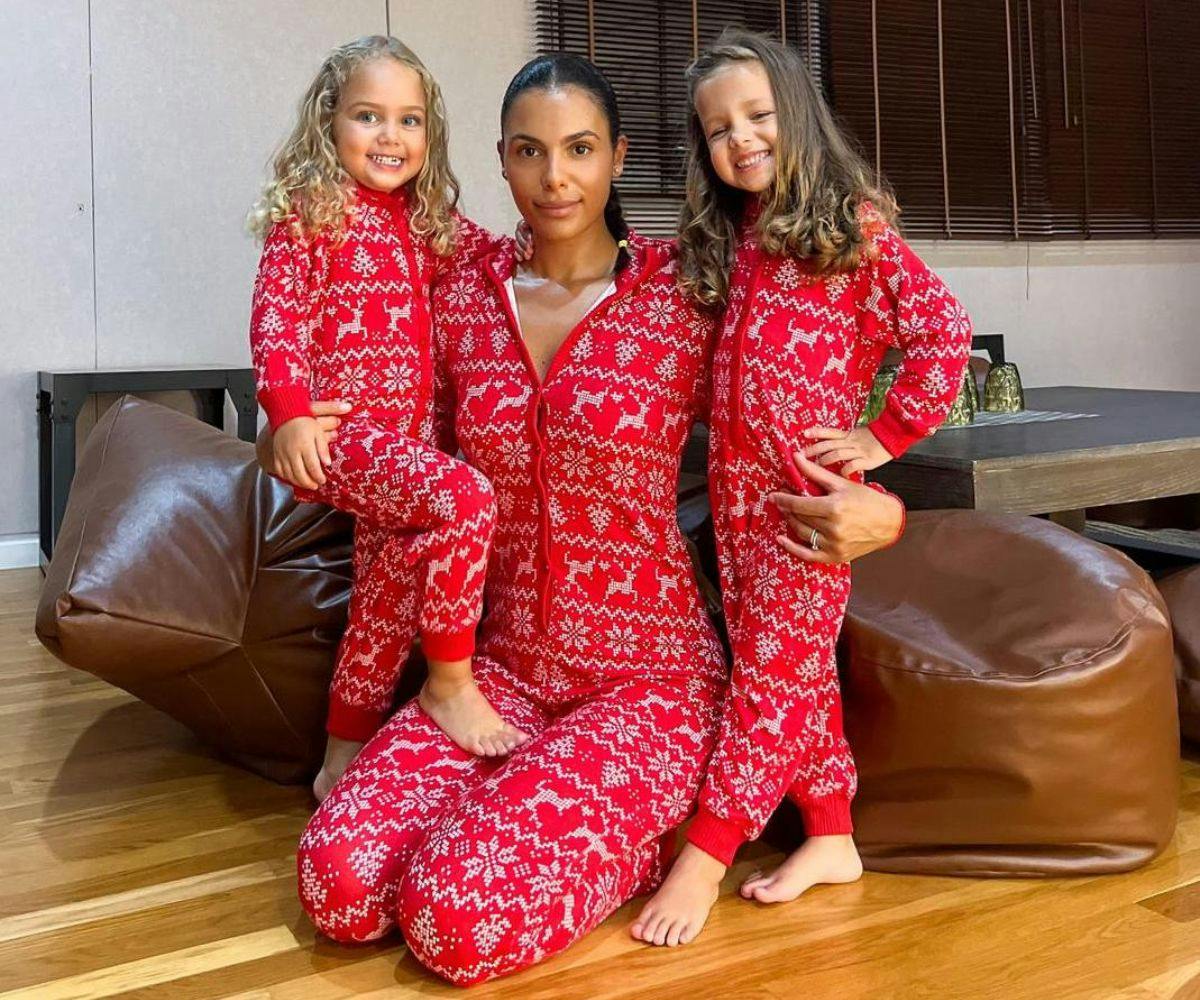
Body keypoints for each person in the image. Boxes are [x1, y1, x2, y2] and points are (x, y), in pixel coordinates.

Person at [261, 52, 907, 986]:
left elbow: (805, 408)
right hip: (498, 677)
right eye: (528, 152)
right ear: (500, 160)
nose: (554, 177)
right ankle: (541, 818)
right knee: (339, 887)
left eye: (579, 149)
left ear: (619, 156)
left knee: (455, 922)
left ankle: (654, 819)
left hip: (650, 685)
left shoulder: (690, 293)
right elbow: (375, 416)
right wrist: (287, 426)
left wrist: (882, 509)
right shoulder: (458, 289)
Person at [632, 29, 973, 948]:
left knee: (773, 684)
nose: (739, 139)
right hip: (736, 505)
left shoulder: (853, 228)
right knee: (780, 671)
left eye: (758, 117)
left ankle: (705, 855)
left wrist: (882, 435)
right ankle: (832, 835)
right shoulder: (731, 243)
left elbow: (944, 333)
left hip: (809, 511)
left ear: (800, 119)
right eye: (716, 129)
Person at [247, 35, 527, 801]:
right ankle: (450, 682)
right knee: (467, 498)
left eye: (409, 122)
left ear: (429, 136)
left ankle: (339, 756)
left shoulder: (429, 223)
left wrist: (598, 251)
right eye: (368, 116)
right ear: (328, 124)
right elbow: (276, 317)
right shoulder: (314, 212)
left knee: (383, 597)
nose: (389, 137)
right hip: (341, 437)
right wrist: (289, 414)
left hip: (402, 454)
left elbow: (503, 255)